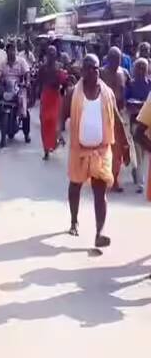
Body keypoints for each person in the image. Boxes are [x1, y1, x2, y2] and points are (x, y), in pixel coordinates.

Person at [61, 54, 116, 248]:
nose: (94, 71)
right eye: (90, 68)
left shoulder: (107, 93)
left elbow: (114, 118)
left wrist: (124, 146)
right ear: (82, 71)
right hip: (79, 150)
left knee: (100, 192)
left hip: (101, 151)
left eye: (97, 68)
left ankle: (99, 233)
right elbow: (63, 112)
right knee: (75, 186)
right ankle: (74, 220)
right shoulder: (73, 93)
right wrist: (60, 132)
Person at [101, 47, 132, 192]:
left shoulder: (124, 73)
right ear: (108, 58)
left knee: (118, 149)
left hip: (119, 115)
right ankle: (102, 177)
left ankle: (114, 180)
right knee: (103, 148)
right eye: (113, 58)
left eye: (118, 59)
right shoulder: (100, 72)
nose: (116, 62)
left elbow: (131, 88)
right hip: (103, 114)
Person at [126, 58, 151, 194]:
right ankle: (141, 182)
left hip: (149, 124)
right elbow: (126, 102)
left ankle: (139, 174)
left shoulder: (150, 84)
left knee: (144, 154)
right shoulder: (131, 84)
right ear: (135, 69)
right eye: (138, 67)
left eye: (143, 67)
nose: (141, 70)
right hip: (135, 122)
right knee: (138, 152)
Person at [38, 45, 68, 160]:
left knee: (54, 122)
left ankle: (55, 142)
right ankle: (46, 149)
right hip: (46, 96)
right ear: (47, 55)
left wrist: (62, 90)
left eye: (53, 54)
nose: (51, 56)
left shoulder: (58, 68)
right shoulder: (43, 68)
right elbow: (38, 81)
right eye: (49, 53)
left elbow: (64, 82)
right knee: (44, 123)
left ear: (55, 56)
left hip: (55, 97)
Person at [1, 41, 31, 143]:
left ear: (15, 51)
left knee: (24, 110)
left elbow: (27, 72)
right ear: (7, 52)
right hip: (7, 89)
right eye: (9, 50)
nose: (11, 53)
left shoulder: (21, 61)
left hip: (19, 88)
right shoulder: (3, 64)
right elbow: (0, 75)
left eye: (13, 50)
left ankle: (26, 134)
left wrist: (26, 82)